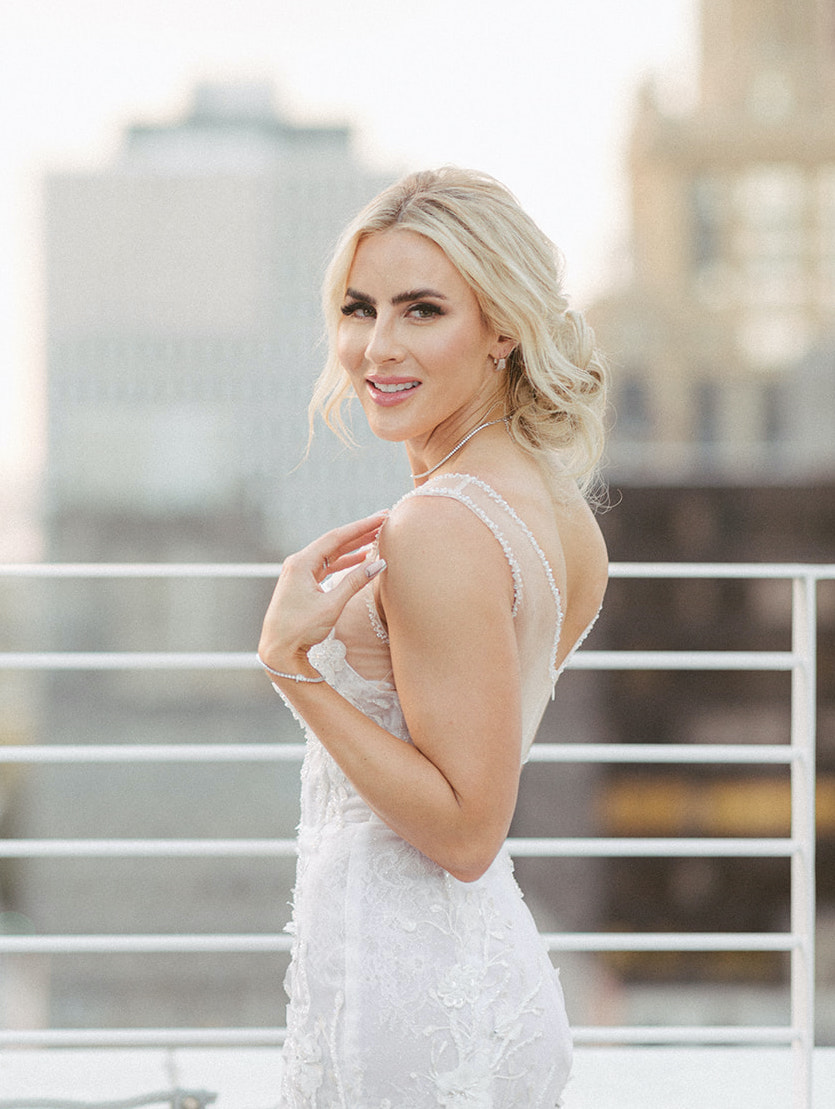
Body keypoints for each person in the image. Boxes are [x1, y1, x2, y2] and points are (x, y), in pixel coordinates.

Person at [258, 166, 609, 1108]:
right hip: (466, 976)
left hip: (405, 995)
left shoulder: (441, 526)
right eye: (357, 308)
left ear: (501, 325)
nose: (376, 347)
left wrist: (293, 667)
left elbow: (465, 828)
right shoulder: (553, 502)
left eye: (421, 311)